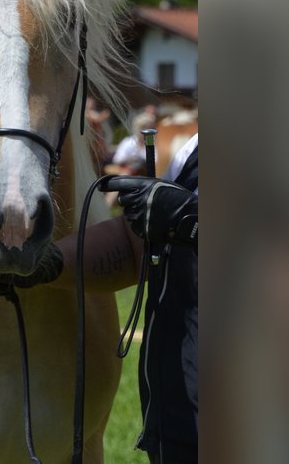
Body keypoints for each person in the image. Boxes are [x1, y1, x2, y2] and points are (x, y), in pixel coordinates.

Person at [45, 134, 199, 463]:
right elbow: (133, 248)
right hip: (181, 412)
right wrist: (47, 264)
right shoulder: (196, 152)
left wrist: (192, 220)